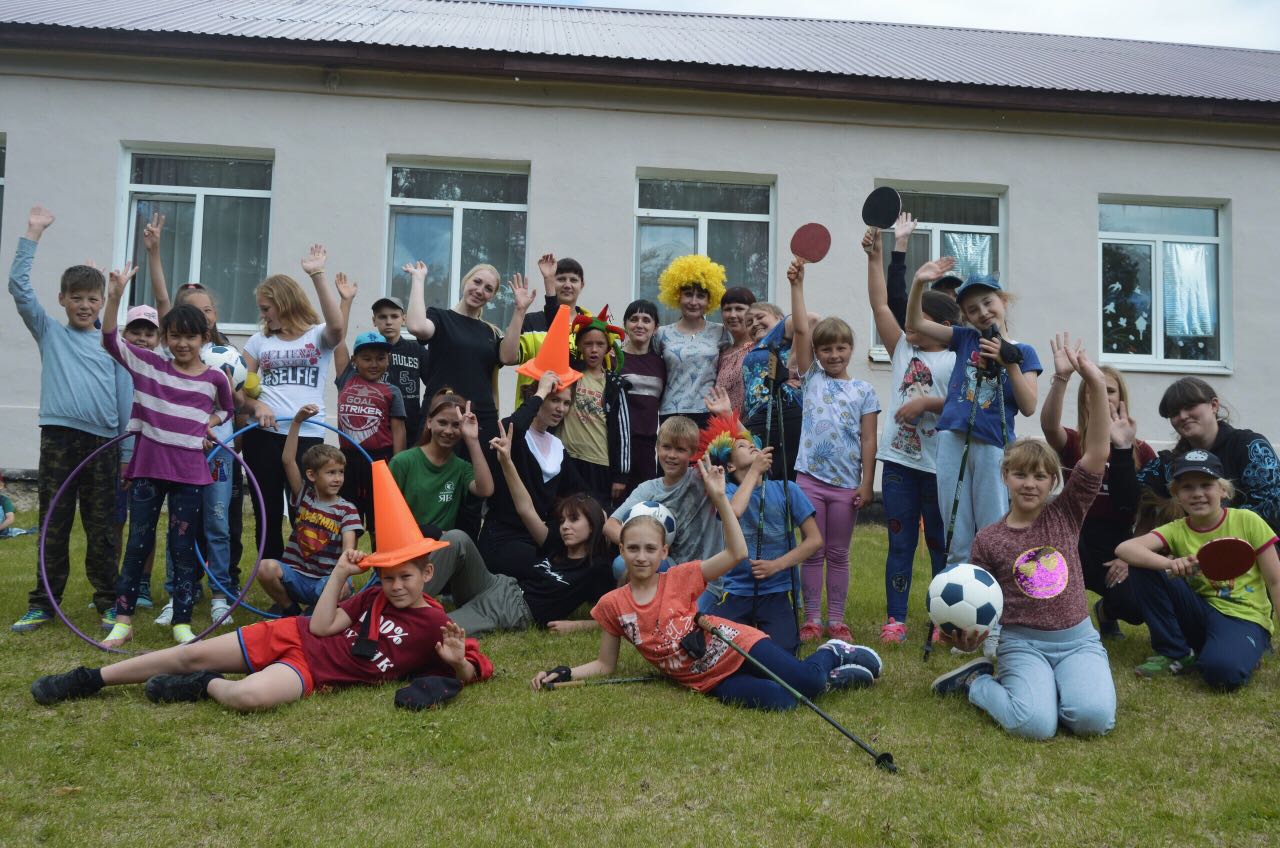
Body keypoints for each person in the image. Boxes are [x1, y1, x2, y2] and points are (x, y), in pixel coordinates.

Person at [531, 457, 882, 708]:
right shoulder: (613, 605)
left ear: (664, 551)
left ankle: (831, 654)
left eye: (650, 549)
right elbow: (605, 665)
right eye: (633, 548)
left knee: (807, 681)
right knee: (784, 701)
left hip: (736, 645)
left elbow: (736, 553)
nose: (641, 557)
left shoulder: (680, 577)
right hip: (707, 679)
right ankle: (829, 680)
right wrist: (563, 673)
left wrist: (720, 500)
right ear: (620, 549)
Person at [31, 533, 494, 711]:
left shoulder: (437, 625)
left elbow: (473, 670)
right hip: (292, 633)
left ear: (427, 574)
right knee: (190, 653)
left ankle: (202, 686)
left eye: (405, 577)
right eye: (388, 577)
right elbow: (320, 627)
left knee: (246, 697)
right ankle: (90, 678)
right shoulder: (373, 595)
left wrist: (457, 662)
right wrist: (339, 574)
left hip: (311, 671)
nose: (395, 587)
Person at [931, 345, 1115, 742]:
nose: (1030, 484)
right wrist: (965, 640)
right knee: (1034, 726)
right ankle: (976, 683)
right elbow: (975, 605)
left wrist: (1096, 383)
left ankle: (1058, 687)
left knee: (1092, 720)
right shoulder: (989, 539)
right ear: (1005, 477)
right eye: (1020, 475)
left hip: (1078, 641)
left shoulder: (1066, 513)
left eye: (1040, 477)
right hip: (1023, 644)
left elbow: (1098, 450)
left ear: (1053, 482)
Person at [9, 206, 133, 634]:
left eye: (92, 299)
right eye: (76, 297)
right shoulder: (50, 331)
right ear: (62, 299)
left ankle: (108, 601)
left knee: (103, 529)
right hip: (60, 439)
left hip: (103, 445)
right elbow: (18, 286)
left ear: (102, 303)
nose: (84, 305)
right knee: (54, 522)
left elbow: (125, 399)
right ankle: (43, 603)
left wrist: (125, 453)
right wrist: (33, 232)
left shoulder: (111, 344)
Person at [101, 265, 235, 646]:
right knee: (138, 543)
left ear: (204, 338)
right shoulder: (149, 367)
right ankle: (123, 620)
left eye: (190, 337)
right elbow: (109, 340)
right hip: (148, 468)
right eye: (175, 336)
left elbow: (227, 410)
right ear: (165, 337)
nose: (182, 344)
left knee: (183, 548)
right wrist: (115, 296)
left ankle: (182, 621)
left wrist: (208, 422)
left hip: (190, 474)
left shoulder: (215, 379)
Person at [906, 259, 1042, 566]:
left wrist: (1009, 362)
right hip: (953, 438)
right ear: (965, 317)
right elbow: (915, 323)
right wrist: (918, 283)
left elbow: (1029, 405)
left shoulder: (1024, 351)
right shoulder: (965, 338)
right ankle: (958, 588)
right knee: (956, 530)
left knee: (992, 526)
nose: (982, 312)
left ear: (1003, 301)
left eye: (988, 302)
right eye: (972, 309)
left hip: (993, 444)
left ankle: (993, 588)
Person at [143, 212, 243, 625]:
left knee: (217, 524)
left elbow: (232, 406)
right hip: (178, 453)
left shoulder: (227, 357)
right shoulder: (171, 355)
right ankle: (177, 594)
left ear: (210, 321)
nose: (194, 322)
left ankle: (220, 593)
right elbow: (162, 301)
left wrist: (211, 427)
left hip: (217, 454)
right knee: (179, 527)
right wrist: (154, 253)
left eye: (204, 313)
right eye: (185, 316)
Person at [1116, 451, 1279, 688]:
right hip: (1198, 611)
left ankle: (1240, 649)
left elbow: (1276, 582)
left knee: (1221, 674)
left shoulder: (1248, 520)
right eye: (1187, 487)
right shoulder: (1176, 529)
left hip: (1243, 618)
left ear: (1223, 490)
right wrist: (1170, 564)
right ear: (1177, 495)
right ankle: (1176, 652)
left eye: (1206, 485)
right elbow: (1125, 549)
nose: (1197, 493)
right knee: (1144, 565)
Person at [865, 227, 958, 642]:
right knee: (900, 545)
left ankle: (942, 619)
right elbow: (879, 303)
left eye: (920, 318)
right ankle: (896, 620)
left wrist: (927, 404)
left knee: (939, 544)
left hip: (940, 467)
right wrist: (876, 255)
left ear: (944, 326)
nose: (909, 323)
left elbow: (967, 406)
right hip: (900, 464)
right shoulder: (904, 348)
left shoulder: (958, 358)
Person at [788, 259, 880, 642]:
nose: (834, 354)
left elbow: (869, 440)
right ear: (816, 352)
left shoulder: (864, 391)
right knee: (812, 551)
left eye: (841, 347)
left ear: (851, 349)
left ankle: (837, 620)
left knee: (839, 553)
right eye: (826, 349)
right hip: (809, 480)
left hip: (845, 485)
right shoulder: (811, 378)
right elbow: (800, 329)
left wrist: (867, 483)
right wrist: (797, 285)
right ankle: (811, 619)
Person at [1041, 332, 1155, 638]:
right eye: (1094, 388)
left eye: (1110, 390)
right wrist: (1061, 379)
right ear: (1085, 398)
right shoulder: (1073, 441)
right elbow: (1049, 427)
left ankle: (1105, 611)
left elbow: (1150, 511)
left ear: (1121, 398)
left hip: (1118, 542)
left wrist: (1131, 553)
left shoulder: (1142, 451)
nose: (1102, 394)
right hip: (1075, 538)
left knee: (1135, 606)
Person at [241, 244, 346, 560]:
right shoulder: (259, 341)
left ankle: (306, 571)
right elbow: (239, 389)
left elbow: (338, 327)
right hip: (263, 435)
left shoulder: (317, 336)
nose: (262, 315)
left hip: (307, 436)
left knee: (308, 510)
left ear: (284, 303)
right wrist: (256, 406)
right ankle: (272, 572)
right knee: (267, 510)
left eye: (266, 308)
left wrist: (317, 275)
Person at [697, 413, 821, 654]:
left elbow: (814, 540)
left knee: (784, 651)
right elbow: (733, 512)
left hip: (776, 590)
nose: (751, 445)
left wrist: (776, 565)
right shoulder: (725, 491)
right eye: (742, 446)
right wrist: (754, 472)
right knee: (715, 649)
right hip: (736, 590)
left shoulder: (787, 489)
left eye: (753, 444)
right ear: (730, 466)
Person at [255, 406, 363, 616]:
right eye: (330, 473)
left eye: (340, 472)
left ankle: (317, 612)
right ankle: (290, 609)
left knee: (344, 585)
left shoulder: (347, 510)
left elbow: (347, 553)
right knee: (264, 567)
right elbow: (288, 460)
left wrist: (344, 575)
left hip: (326, 582)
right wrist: (296, 422)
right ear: (312, 475)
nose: (338, 478)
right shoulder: (304, 496)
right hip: (296, 576)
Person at [1136, 377, 1280, 534]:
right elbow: (1128, 497)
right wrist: (1122, 448)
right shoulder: (1169, 464)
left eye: (1190, 406)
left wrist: (1209, 536)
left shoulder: (1250, 446)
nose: (1182, 416)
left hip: (1253, 545)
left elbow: (1268, 506)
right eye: (1174, 413)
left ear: (1214, 405)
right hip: (1191, 548)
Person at [477, 371, 583, 581]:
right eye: (554, 400)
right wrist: (542, 391)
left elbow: (579, 491)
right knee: (547, 574)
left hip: (538, 537)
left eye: (566, 403)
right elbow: (514, 427)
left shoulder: (557, 447)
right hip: (503, 536)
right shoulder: (512, 432)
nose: (561, 409)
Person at [606, 413, 726, 583]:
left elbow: (742, 451)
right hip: (668, 567)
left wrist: (727, 413)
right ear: (657, 447)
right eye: (666, 447)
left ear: (693, 452)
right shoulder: (647, 489)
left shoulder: (703, 478)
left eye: (680, 449)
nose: (671, 455)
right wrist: (644, 546)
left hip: (705, 575)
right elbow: (610, 525)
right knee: (621, 564)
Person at [404, 261, 507, 451]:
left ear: (492, 296)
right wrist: (418, 279)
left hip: (481, 420)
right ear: (465, 281)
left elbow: (492, 383)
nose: (480, 290)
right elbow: (417, 326)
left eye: (488, 288)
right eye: (477, 282)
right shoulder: (440, 317)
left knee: (481, 470)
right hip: (443, 417)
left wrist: (495, 419)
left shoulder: (492, 333)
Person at [332, 272, 428, 442]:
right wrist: (346, 301)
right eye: (382, 317)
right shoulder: (364, 351)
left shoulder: (417, 350)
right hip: (372, 431)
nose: (388, 322)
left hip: (410, 432)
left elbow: (435, 384)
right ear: (374, 320)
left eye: (394, 316)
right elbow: (338, 340)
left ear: (404, 319)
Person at [336, 330, 408, 545]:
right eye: (367, 359)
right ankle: (346, 563)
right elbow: (338, 336)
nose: (374, 364)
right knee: (348, 521)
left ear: (388, 360)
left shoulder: (392, 391)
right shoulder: (346, 379)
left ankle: (382, 563)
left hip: (380, 461)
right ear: (354, 360)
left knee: (381, 522)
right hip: (348, 461)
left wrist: (397, 466)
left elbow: (398, 431)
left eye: (380, 358)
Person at [389, 390, 494, 533]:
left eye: (456, 425)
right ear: (429, 422)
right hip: (408, 541)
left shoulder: (461, 467)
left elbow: (485, 490)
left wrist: (472, 439)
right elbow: (388, 513)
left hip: (445, 544)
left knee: (458, 537)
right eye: (442, 423)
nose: (448, 431)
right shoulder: (402, 462)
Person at [558, 308, 630, 510]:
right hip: (566, 457)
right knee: (564, 509)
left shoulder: (614, 384)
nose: (594, 349)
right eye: (588, 344)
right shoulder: (568, 374)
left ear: (608, 348)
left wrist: (621, 475)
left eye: (600, 344)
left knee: (595, 513)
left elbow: (623, 432)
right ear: (579, 345)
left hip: (599, 463)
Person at [116, 304, 162, 608]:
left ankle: (142, 583)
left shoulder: (160, 368)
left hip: (149, 455)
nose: (142, 338)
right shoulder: (116, 363)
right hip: (116, 450)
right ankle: (117, 581)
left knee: (144, 522)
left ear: (158, 339)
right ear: (124, 334)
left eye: (149, 333)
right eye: (136, 332)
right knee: (116, 520)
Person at [652, 254, 730, 430]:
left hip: (709, 412)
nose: (694, 302)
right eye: (688, 294)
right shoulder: (662, 333)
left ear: (709, 300)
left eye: (701, 296)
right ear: (677, 296)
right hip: (671, 412)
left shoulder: (721, 332)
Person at [741, 299, 804, 480]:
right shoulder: (757, 348)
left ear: (780, 318)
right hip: (758, 416)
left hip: (782, 411)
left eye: (760, 317)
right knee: (760, 477)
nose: (754, 324)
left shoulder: (777, 338)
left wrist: (792, 363)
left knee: (783, 475)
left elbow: (811, 319)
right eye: (749, 323)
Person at [619, 299, 666, 496]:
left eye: (646, 320)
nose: (639, 325)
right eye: (634, 319)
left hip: (648, 448)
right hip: (618, 447)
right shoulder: (613, 359)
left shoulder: (661, 364)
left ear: (655, 328)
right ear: (625, 324)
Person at [714, 286, 757, 413]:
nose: (732, 315)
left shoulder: (762, 348)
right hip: (724, 424)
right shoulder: (722, 354)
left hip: (753, 424)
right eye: (727, 309)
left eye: (739, 309)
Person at [521, 253, 586, 333]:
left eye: (573, 280)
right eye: (561, 279)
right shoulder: (530, 321)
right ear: (552, 283)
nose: (567, 285)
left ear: (581, 285)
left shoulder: (591, 324)